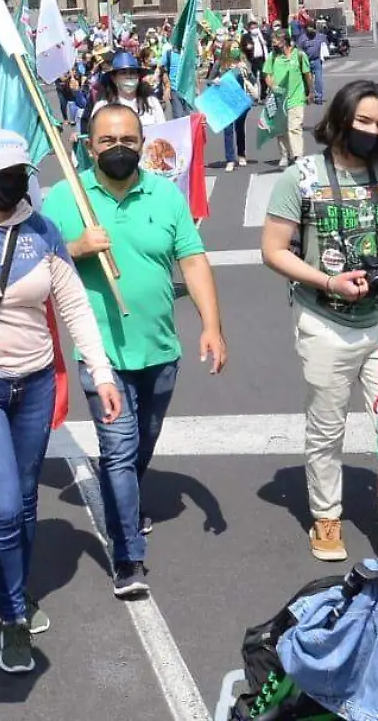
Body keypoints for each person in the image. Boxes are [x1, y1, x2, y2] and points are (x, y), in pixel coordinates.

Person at [0, 130, 123, 674]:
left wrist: (100, 372)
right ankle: (12, 616)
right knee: (4, 507)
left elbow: (74, 304)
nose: (15, 182)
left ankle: (14, 589)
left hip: (33, 384)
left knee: (26, 503)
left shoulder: (42, 230)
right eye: (3, 172)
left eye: (21, 172)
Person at [41, 103, 225, 597]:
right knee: (118, 453)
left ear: (142, 142)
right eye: (107, 141)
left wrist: (212, 326)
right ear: (88, 145)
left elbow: (194, 261)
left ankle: (126, 498)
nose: (118, 148)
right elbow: (31, 264)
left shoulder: (165, 196)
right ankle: (128, 558)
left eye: (128, 139)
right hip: (101, 358)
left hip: (160, 351)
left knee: (140, 446)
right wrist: (75, 247)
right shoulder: (64, 198)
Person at [259, 81, 378, 562]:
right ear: (341, 120)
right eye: (364, 121)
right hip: (326, 321)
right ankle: (326, 515)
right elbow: (273, 250)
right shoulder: (300, 177)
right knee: (327, 427)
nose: (373, 131)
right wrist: (329, 282)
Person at [263, 27, 312, 164]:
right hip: (279, 98)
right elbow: (267, 75)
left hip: (296, 97)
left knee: (295, 127)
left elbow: (307, 75)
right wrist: (273, 87)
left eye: (276, 41)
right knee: (281, 129)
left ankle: (298, 155)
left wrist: (311, 92)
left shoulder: (300, 55)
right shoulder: (273, 57)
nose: (273, 43)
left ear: (284, 41)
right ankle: (284, 155)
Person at [97, 49, 166, 127]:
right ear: (114, 78)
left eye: (132, 73)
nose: (129, 76)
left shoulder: (150, 100)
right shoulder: (103, 105)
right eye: (123, 73)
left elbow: (162, 127)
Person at [210, 51, 255, 167]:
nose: (236, 49)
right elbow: (209, 80)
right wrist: (215, 82)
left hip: (240, 101)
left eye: (236, 47)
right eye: (233, 47)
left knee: (239, 129)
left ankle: (241, 155)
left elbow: (253, 80)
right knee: (228, 131)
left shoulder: (243, 64)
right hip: (225, 102)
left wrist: (244, 71)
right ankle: (230, 159)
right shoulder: (219, 63)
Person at [298, 24, 328, 104]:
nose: (310, 29)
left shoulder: (320, 36)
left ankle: (319, 97)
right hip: (306, 61)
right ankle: (308, 96)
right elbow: (299, 50)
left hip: (317, 60)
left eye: (312, 28)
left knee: (318, 79)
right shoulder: (302, 38)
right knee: (307, 79)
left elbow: (325, 45)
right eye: (309, 27)